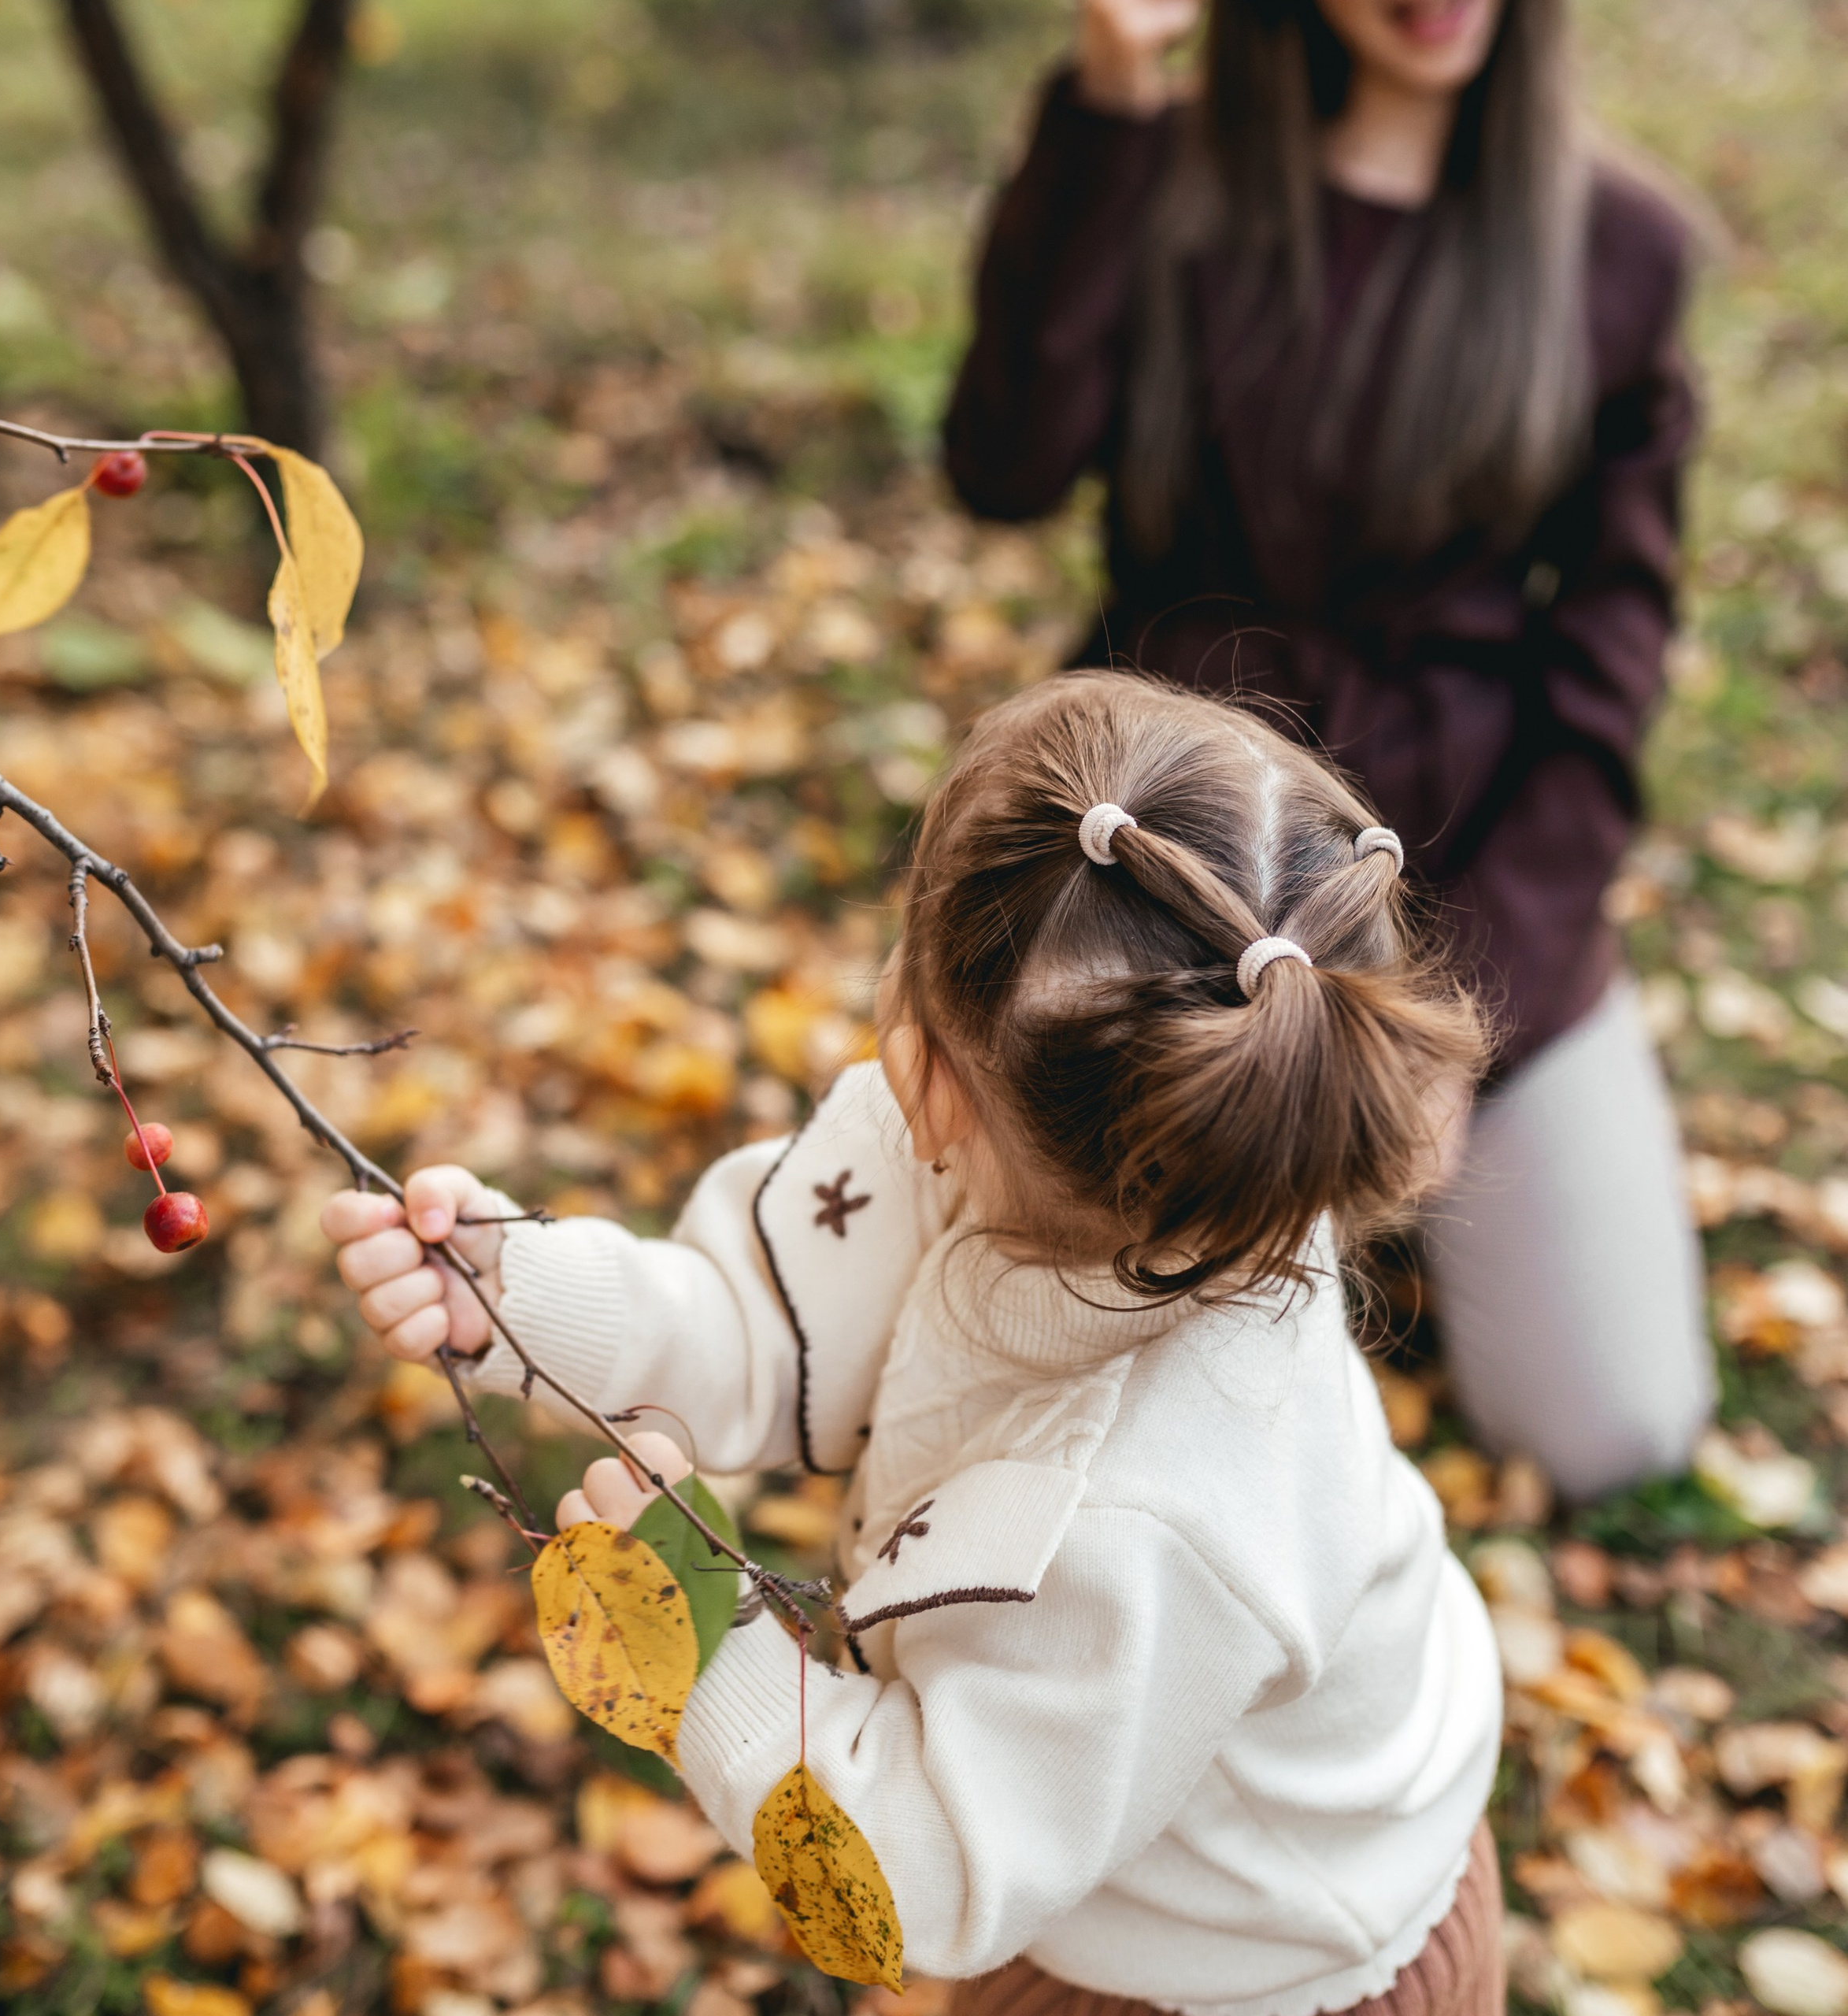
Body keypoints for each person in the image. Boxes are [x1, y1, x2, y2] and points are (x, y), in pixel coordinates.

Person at [324, 673, 1507, 2014]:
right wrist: (521, 1293)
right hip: (1096, 1851)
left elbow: (934, 1867)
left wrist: (709, 1651)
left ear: (924, 1061)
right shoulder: (1125, 1155)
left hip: (1252, 1957)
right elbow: (766, 1325)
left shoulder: (1143, 1521)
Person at [941, 0, 1713, 1502]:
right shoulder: (1163, 180)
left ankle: (1379, 1202)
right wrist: (1108, 90)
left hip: (1472, 887)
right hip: (1166, 868)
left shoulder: (1617, 251)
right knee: (1048, 1403)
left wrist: (1462, 1024)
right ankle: (1318, 1201)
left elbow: (1605, 676)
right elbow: (1003, 463)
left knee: (1614, 1428)